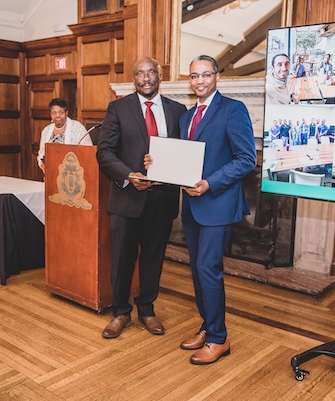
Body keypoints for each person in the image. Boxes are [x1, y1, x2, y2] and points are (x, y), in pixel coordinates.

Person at [96, 57, 186, 339]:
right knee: (121, 260)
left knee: (153, 259)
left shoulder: (178, 111)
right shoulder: (118, 109)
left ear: (160, 75)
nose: (145, 78)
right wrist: (128, 175)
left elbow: (185, 152)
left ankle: (147, 309)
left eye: (150, 72)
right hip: (126, 199)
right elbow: (104, 152)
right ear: (133, 78)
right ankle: (120, 312)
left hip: (162, 200)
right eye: (139, 74)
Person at [178, 55, 256, 365]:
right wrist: (157, 164)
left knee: (208, 270)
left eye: (205, 75)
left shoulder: (233, 109)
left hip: (218, 204)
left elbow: (246, 159)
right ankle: (207, 326)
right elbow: (185, 157)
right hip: (192, 206)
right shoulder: (186, 117)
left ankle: (218, 339)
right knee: (198, 271)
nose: (199, 81)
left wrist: (210, 183)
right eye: (194, 76)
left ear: (217, 77)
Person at [37, 98, 93, 173]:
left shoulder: (78, 128)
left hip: (73, 174)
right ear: (50, 114)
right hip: (51, 173)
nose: (57, 116)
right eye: (54, 113)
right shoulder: (46, 131)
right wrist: (42, 165)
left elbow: (88, 152)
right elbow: (41, 154)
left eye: (61, 112)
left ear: (66, 113)